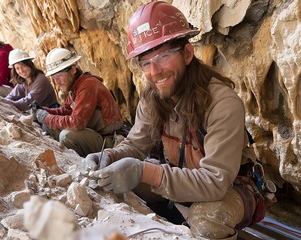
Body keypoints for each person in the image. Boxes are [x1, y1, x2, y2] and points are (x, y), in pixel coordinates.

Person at [84, 1, 260, 240]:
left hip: (230, 187)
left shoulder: (222, 103)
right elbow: (136, 146)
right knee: (112, 180)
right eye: (146, 62)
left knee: (206, 219)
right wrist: (110, 157)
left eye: (164, 56)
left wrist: (145, 172)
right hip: (182, 177)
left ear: (187, 53)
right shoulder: (152, 98)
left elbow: (215, 182)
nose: (154, 71)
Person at [34, 47, 123, 157]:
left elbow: (77, 123)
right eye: (54, 77)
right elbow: (65, 110)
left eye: (59, 76)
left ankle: (86, 164)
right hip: (94, 135)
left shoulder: (87, 86)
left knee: (67, 136)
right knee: (49, 126)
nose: (56, 82)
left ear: (73, 70)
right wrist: (43, 110)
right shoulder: (75, 87)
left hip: (109, 141)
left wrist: (47, 118)